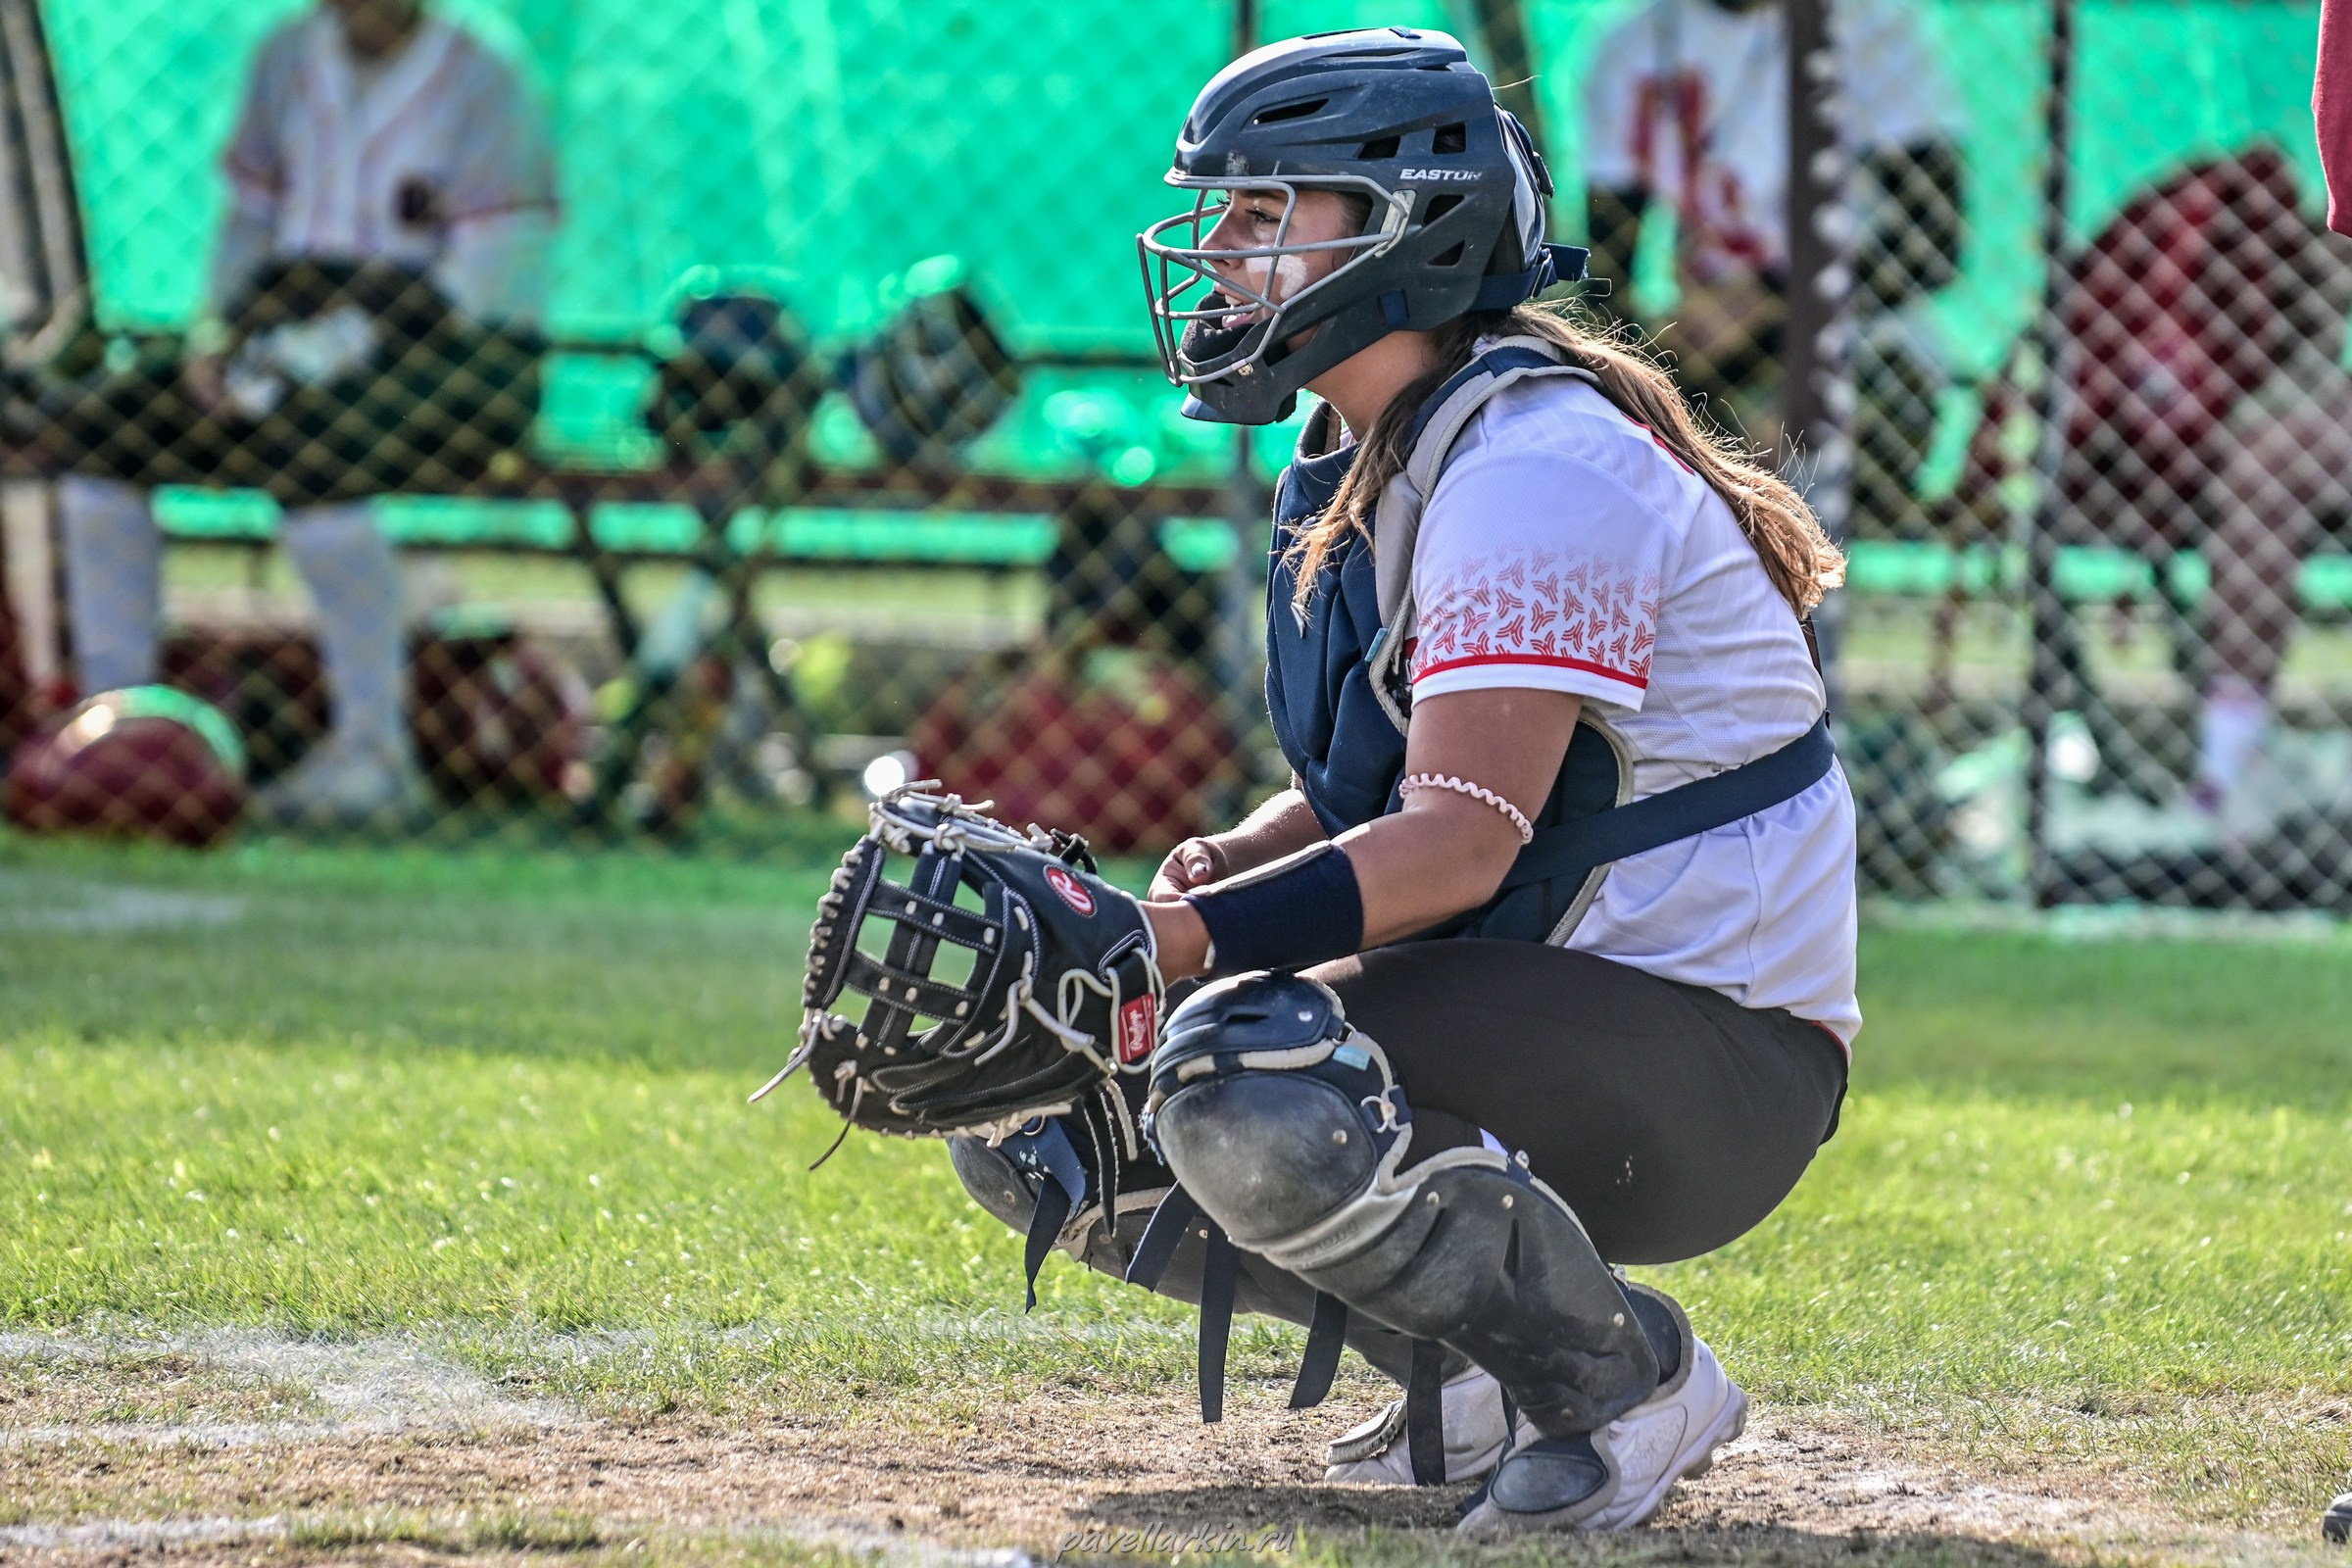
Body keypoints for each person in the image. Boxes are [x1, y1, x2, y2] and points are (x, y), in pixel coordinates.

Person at [949, 28, 1856, 1535]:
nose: (1216, 252)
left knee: (1241, 1070)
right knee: (1044, 1102)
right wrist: (1233, 865)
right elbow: (1399, 783)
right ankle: (1478, 1372)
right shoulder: (1381, 441)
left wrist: (1175, 945)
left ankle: (1620, 1381)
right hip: (1554, 997)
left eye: (1263, 213)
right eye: (1220, 213)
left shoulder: (1533, 462)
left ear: (1406, 228)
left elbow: (1459, 844)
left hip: (1713, 1059)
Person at [57, 0, 555, 823]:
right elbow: (250, 222)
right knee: (107, 434)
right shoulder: (287, 56)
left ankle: (374, 752)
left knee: (317, 453)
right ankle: (116, 728)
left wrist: (328, 347)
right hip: (286, 335)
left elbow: (485, 277)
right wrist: (221, 338)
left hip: (453, 358)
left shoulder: (483, 74)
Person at [1580, 0, 1964, 534]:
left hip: (1852, 323)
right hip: (1712, 345)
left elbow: (1933, 244)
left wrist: (1766, 305)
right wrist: (1658, 337)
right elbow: (1606, 274)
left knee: (1881, 388)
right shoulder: (1634, 44)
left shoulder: (1876, 25)